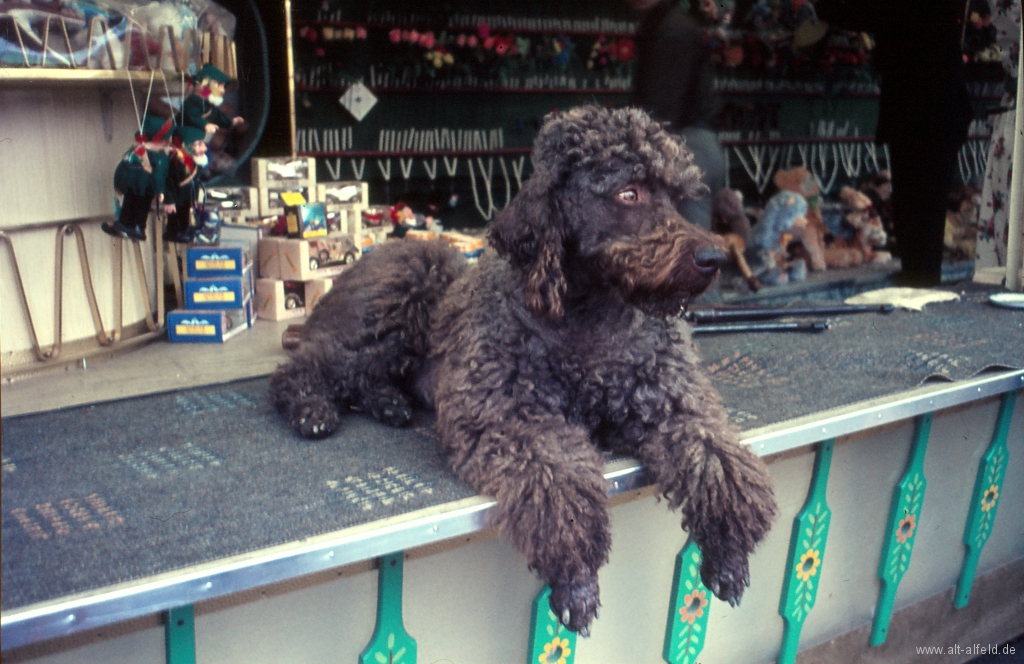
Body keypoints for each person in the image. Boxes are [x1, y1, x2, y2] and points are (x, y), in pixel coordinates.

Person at [814, 0, 973, 286]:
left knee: (919, 201)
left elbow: (875, 12)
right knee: (917, 200)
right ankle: (918, 274)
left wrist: (822, 6)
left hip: (926, 109)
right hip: (927, 109)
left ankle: (920, 279)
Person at [627, 0, 727, 230]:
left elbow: (662, 103)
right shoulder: (665, 25)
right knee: (686, 248)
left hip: (686, 147)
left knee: (689, 251)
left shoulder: (671, 29)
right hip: (692, 145)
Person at [102, 115, 174, 242]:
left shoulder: (157, 157)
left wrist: (159, 191)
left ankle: (137, 228)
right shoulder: (139, 153)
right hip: (133, 186)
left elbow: (158, 176)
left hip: (146, 188)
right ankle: (124, 225)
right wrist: (118, 184)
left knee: (141, 207)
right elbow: (123, 167)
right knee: (128, 205)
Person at [162, 126, 209, 244]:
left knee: (184, 213)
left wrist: (194, 198)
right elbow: (168, 181)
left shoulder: (197, 162)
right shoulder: (177, 162)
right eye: (198, 144)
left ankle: (183, 229)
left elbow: (196, 181)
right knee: (175, 215)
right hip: (176, 195)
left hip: (186, 195)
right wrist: (169, 200)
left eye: (202, 143)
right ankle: (173, 232)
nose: (204, 148)